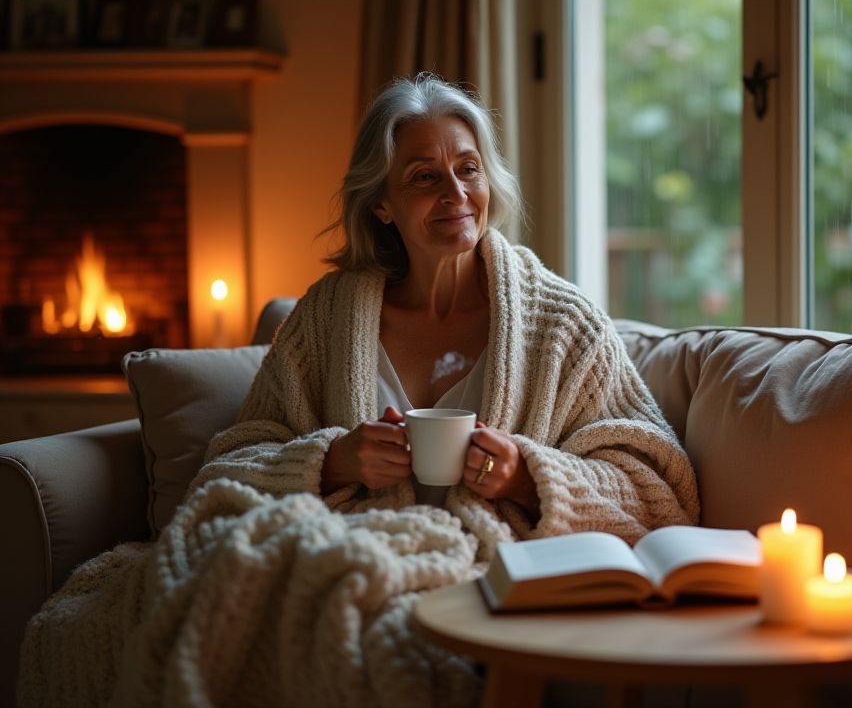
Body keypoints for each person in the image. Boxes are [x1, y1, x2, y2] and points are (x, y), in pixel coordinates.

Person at [19, 74, 699, 708]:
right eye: (424, 177)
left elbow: (654, 485)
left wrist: (528, 477)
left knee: (371, 630)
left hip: (484, 567)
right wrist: (333, 461)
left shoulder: (560, 322)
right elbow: (228, 465)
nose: (456, 194)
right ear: (381, 203)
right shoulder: (326, 317)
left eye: (468, 169)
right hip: (341, 546)